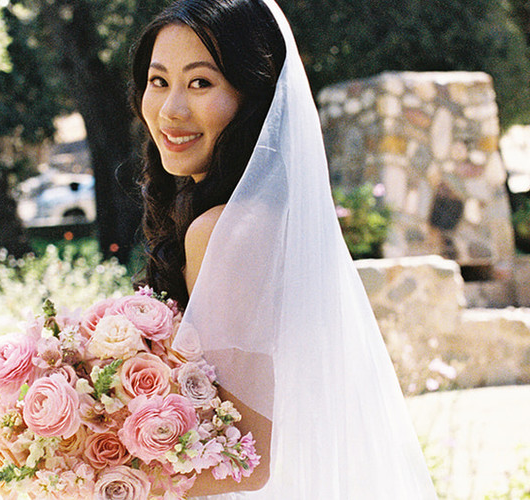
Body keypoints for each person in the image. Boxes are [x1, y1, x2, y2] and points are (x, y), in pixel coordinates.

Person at [131, 0, 437, 498]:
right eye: (159, 81)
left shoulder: (226, 230)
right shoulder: (270, 220)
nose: (171, 110)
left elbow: (248, 459)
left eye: (201, 83)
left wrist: (80, 471)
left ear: (253, 99)